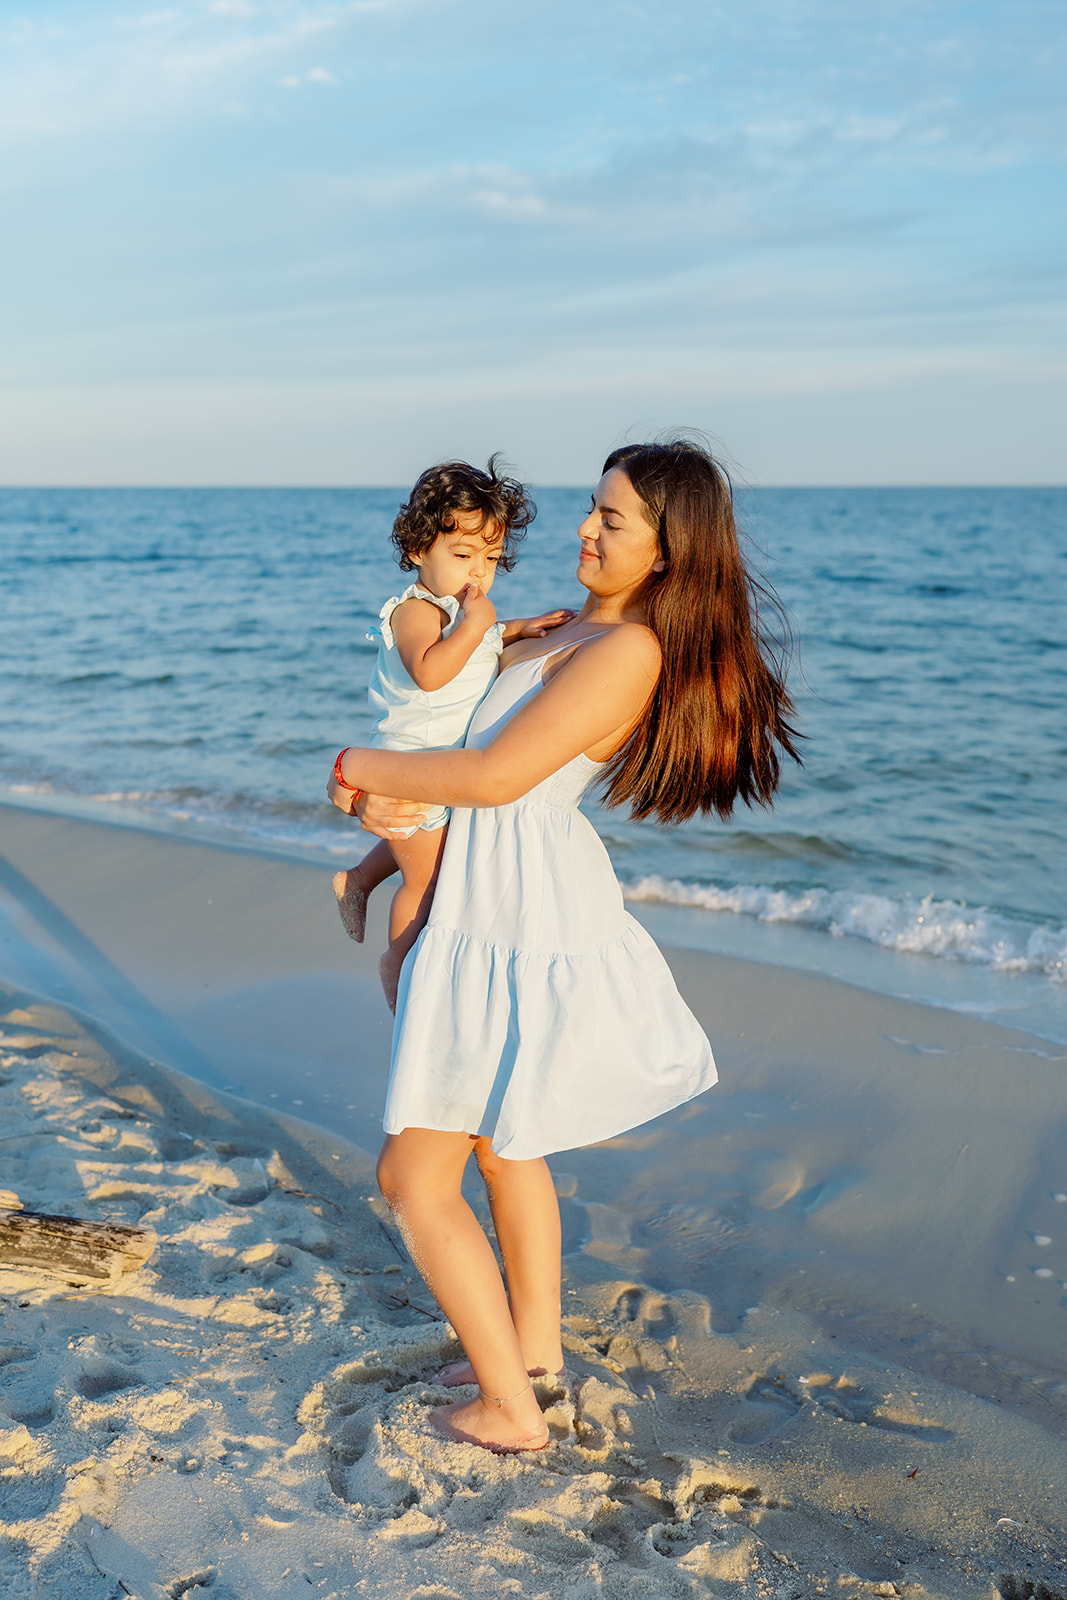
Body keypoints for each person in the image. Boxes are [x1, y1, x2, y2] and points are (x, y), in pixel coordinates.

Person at [328, 439, 800, 1453]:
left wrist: (354, 764)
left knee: (412, 1179)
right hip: (490, 890)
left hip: (515, 909)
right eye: (591, 506)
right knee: (503, 1147)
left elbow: (494, 776)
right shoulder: (573, 629)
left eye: (611, 519)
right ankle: (534, 1359)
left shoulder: (628, 651)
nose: (583, 528)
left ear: (668, 550)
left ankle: (509, 1413)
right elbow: (459, 728)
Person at [331, 458, 573, 1009]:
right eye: (463, 556)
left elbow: (481, 643)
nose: (478, 573)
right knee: (428, 882)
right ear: (420, 550)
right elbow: (431, 671)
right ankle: (398, 964)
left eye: (491, 559)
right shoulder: (416, 612)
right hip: (410, 764)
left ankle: (359, 879)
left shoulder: (459, 614)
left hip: (436, 763)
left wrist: (516, 628)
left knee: (419, 846)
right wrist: (476, 625)